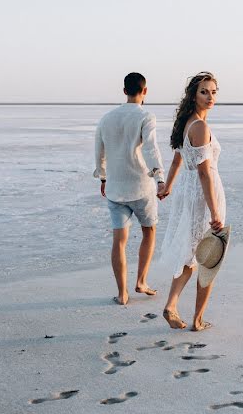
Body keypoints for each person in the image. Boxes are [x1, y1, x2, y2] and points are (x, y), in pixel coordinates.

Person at [157, 72, 226, 331]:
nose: (210, 97)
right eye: (204, 92)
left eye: (213, 92)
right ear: (193, 95)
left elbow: (177, 160)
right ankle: (196, 320)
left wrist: (168, 187)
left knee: (191, 253)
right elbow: (204, 172)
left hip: (189, 192)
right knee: (208, 257)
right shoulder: (199, 126)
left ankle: (172, 305)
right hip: (202, 195)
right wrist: (215, 211)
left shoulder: (187, 123)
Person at [94, 72, 165, 305]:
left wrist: (102, 178)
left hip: (115, 189)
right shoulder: (146, 116)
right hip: (142, 187)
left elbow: (99, 151)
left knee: (119, 241)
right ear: (145, 91)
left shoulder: (106, 118)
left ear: (124, 91)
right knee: (149, 232)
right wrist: (160, 177)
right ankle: (141, 281)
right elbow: (151, 149)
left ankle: (122, 293)